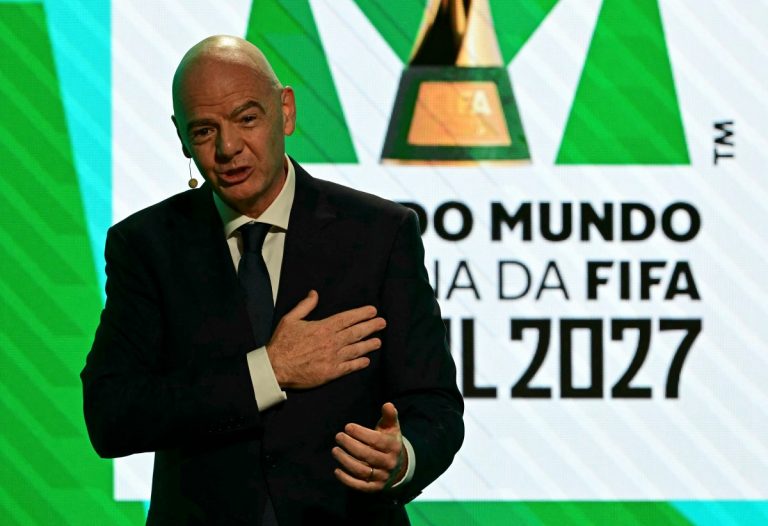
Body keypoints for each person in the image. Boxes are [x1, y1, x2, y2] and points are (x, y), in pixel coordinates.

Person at [81, 35, 463, 525]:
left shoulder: (380, 234)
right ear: (181, 137)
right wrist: (269, 370)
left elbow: (435, 404)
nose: (228, 148)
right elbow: (112, 415)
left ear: (285, 111)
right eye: (204, 131)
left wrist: (403, 458)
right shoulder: (147, 245)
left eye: (246, 119)